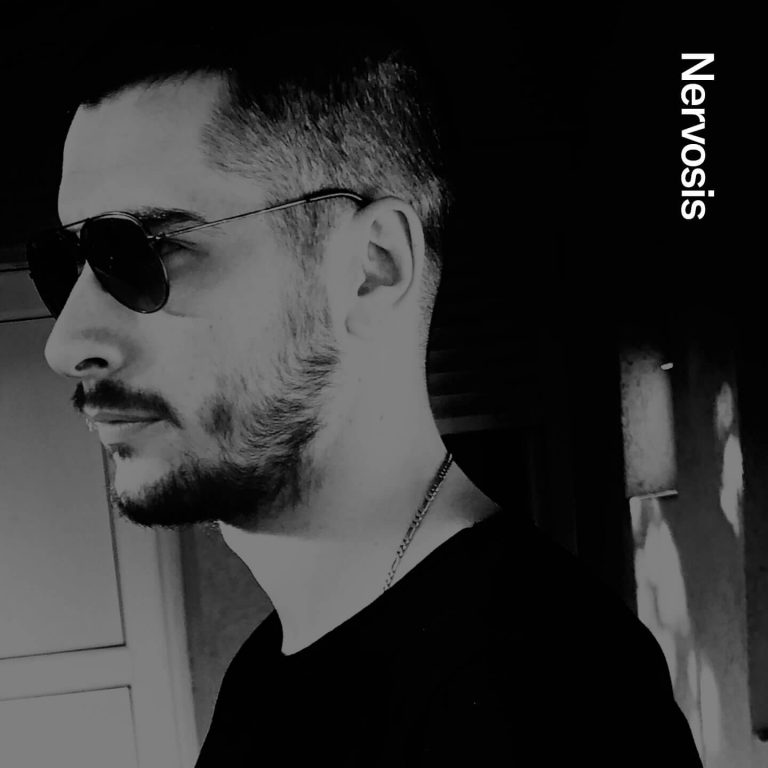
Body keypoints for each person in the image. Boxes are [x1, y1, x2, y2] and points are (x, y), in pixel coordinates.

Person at [28, 19, 702, 766]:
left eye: (143, 251)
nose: (66, 344)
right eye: (70, 266)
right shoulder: (270, 665)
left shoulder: (548, 697)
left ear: (373, 269)